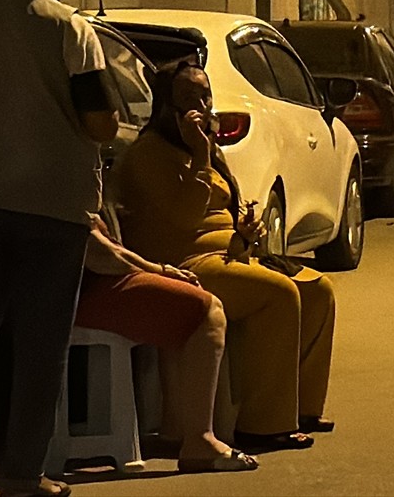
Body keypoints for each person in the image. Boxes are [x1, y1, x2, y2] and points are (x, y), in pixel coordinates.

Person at [0, 0, 119, 497]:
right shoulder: (71, 30)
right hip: (51, 209)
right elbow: (100, 122)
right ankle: (23, 476)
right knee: (40, 349)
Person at [115, 62, 337, 453]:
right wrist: (201, 154)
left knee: (319, 289)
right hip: (184, 265)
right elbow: (185, 217)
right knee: (279, 293)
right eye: (189, 99)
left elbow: (223, 208)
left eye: (206, 95)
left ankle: (302, 408)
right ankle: (263, 424)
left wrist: (245, 230)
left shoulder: (206, 151)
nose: (201, 106)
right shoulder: (150, 154)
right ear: (166, 107)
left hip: (229, 255)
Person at [79, 216, 257, 472]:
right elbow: (97, 252)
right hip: (81, 286)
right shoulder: (63, 179)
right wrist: (158, 270)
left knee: (189, 298)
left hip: (84, 279)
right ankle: (199, 439)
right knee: (204, 308)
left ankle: (176, 426)